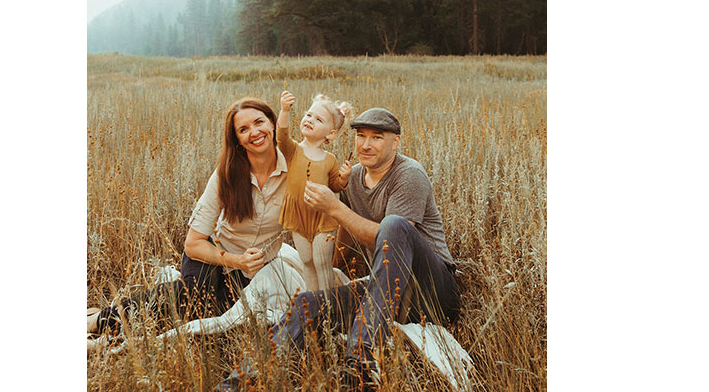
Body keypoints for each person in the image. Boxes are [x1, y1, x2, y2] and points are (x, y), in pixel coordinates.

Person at [217, 108, 461, 391]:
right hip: (386, 291)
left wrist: (335, 207)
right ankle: (240, 382)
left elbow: (388, 238)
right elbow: (343, 228)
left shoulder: (409, 175)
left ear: (395, 142)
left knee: (393, 225)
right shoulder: (354, 176)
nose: (366, 145)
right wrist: (335, 270)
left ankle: (361, 363)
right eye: (360, 136)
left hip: (432, 290)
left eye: (377, 138)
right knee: (307, 303)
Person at [88, 97, 289, 339]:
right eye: (243, 129)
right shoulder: (226, 174)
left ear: (273, 122)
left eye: (259, 122)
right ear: (236, 140)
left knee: (217, 317)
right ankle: (100, 320)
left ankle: (110, 317)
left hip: (254, 271)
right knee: (195, 296)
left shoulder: (294, 169)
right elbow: (194, 244)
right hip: (213, 254)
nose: (254, 132)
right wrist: (237, 261)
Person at [275, 90, 353, 292]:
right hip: (298, 214)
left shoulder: (330, 160)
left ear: (330, 134)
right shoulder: (293, 150)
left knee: (321, 262)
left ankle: (328, 305)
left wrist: (343, 179)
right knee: (307, 261)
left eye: (318, 119)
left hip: (322, 218)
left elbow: (334, 185)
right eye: (309, 115)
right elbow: (281, 136)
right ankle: (312, 302)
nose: (309, 119)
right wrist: (285, 110)